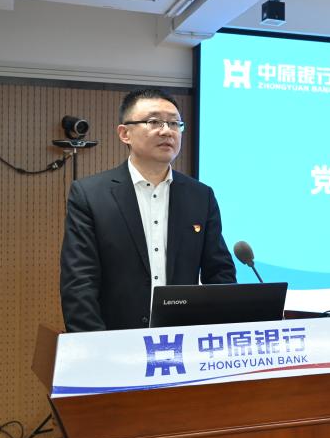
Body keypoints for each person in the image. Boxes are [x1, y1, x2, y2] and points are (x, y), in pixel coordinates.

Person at [60, 88, 236, 332]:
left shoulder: (200, 196)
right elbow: (79, 281)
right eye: (154, 122)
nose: (167, 131)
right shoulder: (90, 195)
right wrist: (96, 345)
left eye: (174, 123)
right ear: (125, 134)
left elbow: (219, 273)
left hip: (184, 340)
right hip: (116, 339)